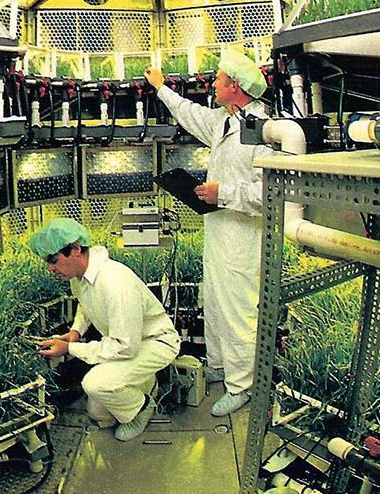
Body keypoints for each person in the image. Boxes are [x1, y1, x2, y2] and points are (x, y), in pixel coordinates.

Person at [144, 48, 272, 417]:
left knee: (237, 311)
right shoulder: (223, 121)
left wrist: (224, 193)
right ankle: (219, 364)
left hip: (243, 236)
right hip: (218, 227)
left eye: (217, 79)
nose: (212, 84)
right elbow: (188, 113)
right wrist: (161, 88)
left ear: (234, 86)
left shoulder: (263, 131)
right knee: (214, 302)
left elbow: (269, 193)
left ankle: (242, 385)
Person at [30, 217, 180, 441]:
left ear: (76, 249)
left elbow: (125, 347)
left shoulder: (114, 283)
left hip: (155, 343)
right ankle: (147, 385)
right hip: (129, 342)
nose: (50, 268)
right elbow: (85, 303)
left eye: (54, 259)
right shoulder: (80, 275)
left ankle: (143, 407)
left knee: (95, 384)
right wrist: (76, 332)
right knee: (98, 413)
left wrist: (70, 349)